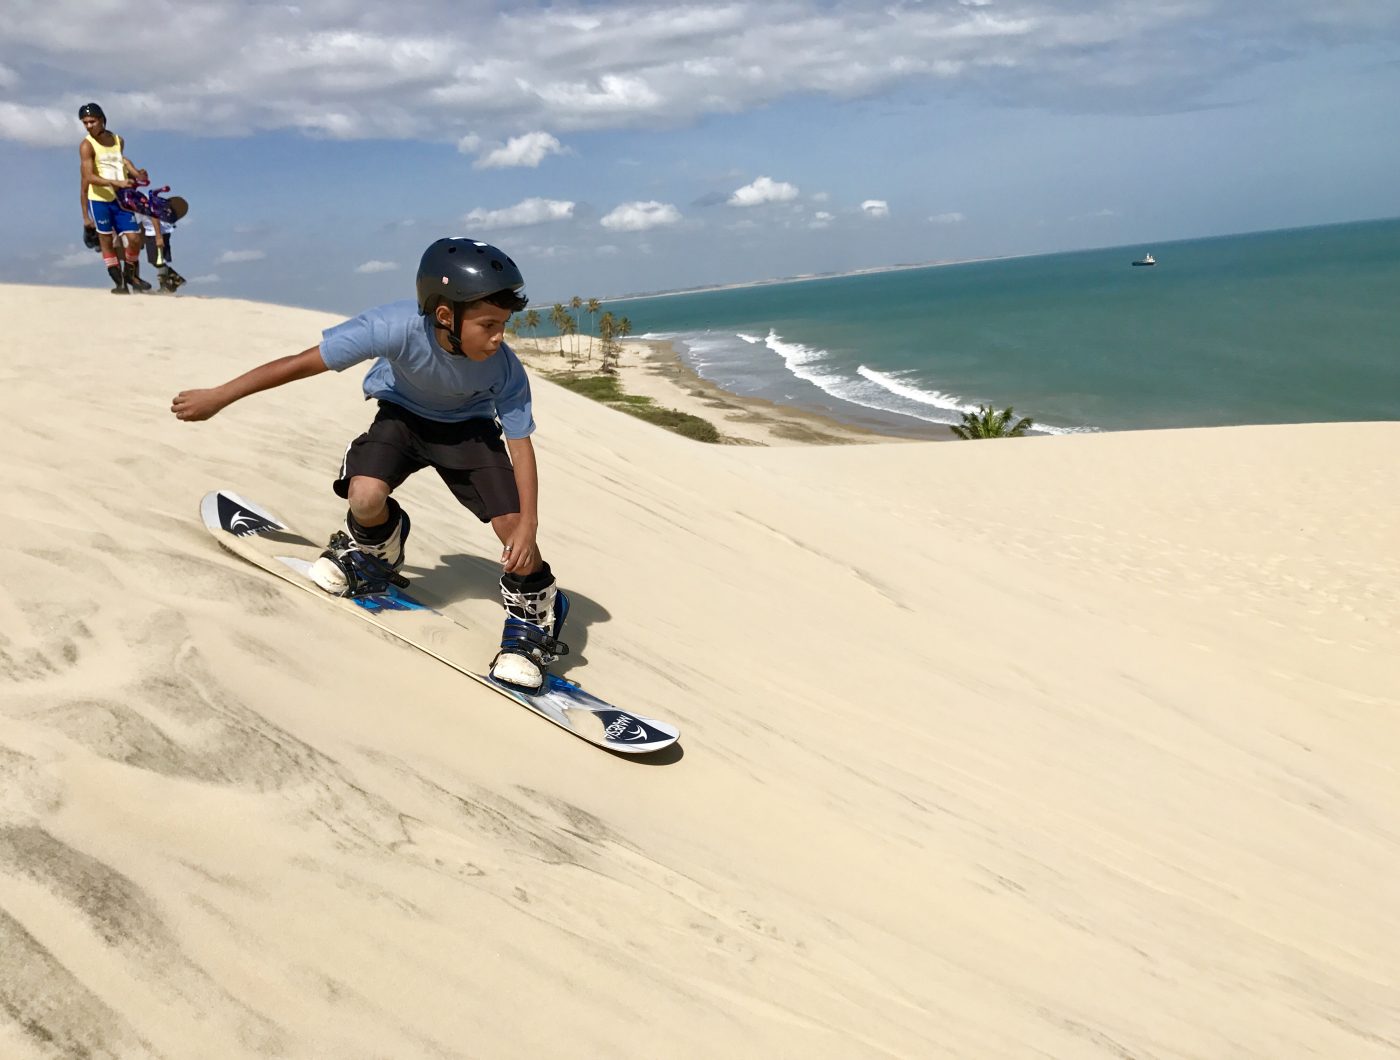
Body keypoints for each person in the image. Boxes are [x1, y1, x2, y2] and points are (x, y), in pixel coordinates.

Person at [170, 238, 567, 693]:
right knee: (364, 495)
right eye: (489, 325)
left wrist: (529, 524)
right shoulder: (393, 327)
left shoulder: (504, 369)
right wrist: (220, 395)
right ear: (445, 316)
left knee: (512, 527)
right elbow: (302, 364)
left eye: (504, 325)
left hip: (467, 433)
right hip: (402, 420)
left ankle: (535, 618)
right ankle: (377, 554)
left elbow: (520, 444)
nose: (499, 337)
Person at [78, 102, 150, 294]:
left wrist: (136, 175)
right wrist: (86, 216)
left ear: (102, 119)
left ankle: (131, 275)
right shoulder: (86, 145)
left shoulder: (119, 140)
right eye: (85, 123)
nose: (88, 126)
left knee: (134, 238)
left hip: (120, 199)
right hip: (99, 200)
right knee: (107, 241)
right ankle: (119, 284)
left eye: (92, 121)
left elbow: (120, 164)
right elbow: (88, 178)